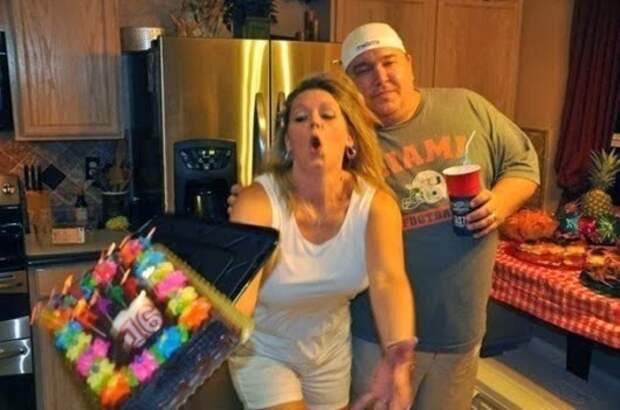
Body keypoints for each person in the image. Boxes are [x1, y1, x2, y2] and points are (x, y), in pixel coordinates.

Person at [341, 23, 540, 410]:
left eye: (388, 62)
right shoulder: (348, 139)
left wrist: (500, 202)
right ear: (349, 83)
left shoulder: (466, 107)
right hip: (377, 335)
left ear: (409, 63)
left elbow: (522, 164)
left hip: (459, 327)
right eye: (363, 69)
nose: (380, 77)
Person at [228, 72, 416, 410]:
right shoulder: (257, 203)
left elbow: (389, 281)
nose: (314, 123)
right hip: (264, 350)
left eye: (327, 116)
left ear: (350, 138)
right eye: (300, 118)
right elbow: (240, 294)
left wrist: (396, 357)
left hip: (329, 353)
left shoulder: (376, 206)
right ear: (289, 142)